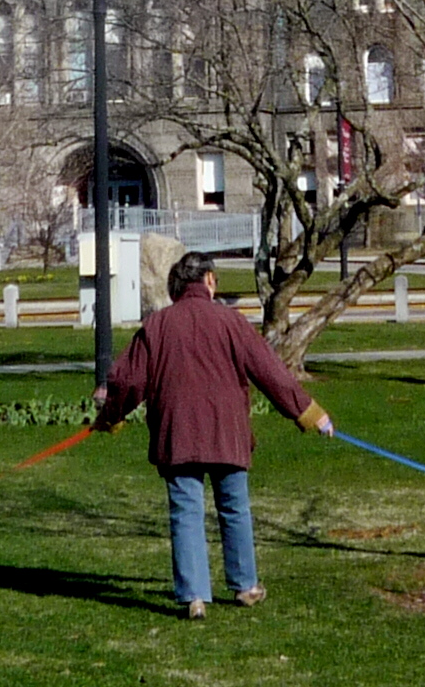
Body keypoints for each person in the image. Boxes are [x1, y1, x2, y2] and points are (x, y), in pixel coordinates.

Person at [92, 250, 334, 619]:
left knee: (186, 511)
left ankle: (194, 597)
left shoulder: (156, 326)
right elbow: (270, 373)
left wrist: (110, 417)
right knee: (234, 507)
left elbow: (128, 381)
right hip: (228, 433)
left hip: (178, 434)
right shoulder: (231, 322)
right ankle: (245, 586)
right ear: (208, 281)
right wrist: (308, 413)